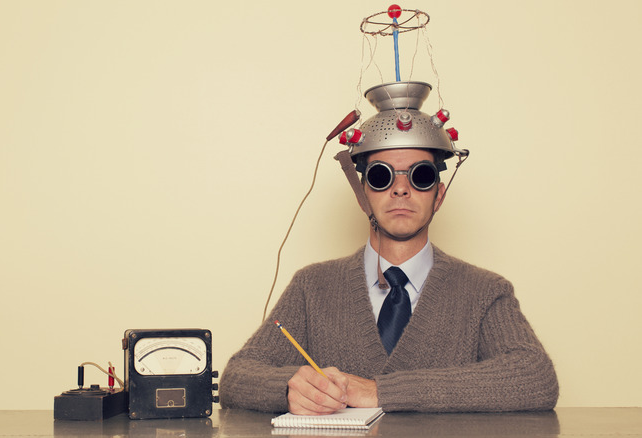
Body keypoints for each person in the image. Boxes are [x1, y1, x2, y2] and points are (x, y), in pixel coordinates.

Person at [218, 82, 559, 414]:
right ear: (362, 192)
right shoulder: (312, 286)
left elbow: (535, 377)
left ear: (439, 194)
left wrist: (381, 391)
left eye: (419, 176)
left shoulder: (485, 291)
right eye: (382, 177)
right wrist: (290, 386)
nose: (400, 190)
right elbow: (238, 376)